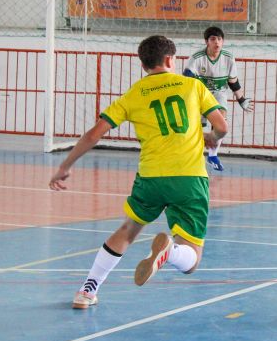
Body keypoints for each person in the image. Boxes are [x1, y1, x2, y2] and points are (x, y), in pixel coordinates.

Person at [49, 35, 228, 309]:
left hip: (150, 178)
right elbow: (222, 127)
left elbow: (94, 134)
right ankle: (172, 252)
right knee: (192, 259)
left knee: (128, 229)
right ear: (170, 59)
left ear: (144, 65)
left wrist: (65, 166)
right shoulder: (193, 86)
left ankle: (87, 290)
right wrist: (210, 136)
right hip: (189, 177)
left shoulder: (134, 94)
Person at [184, 26, 253, 172]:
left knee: (221, 120)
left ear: (223, 41)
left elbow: (233, 82)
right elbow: (187, 82)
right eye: (213, 39)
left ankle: (213, 155)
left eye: (220, 39)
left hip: (219, 93)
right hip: (200, 93)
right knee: (197, 125)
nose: (217, 43)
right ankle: (195, 154)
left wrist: (241, 99)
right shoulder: (196, 58)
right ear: (206, 42)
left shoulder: (228, 58)